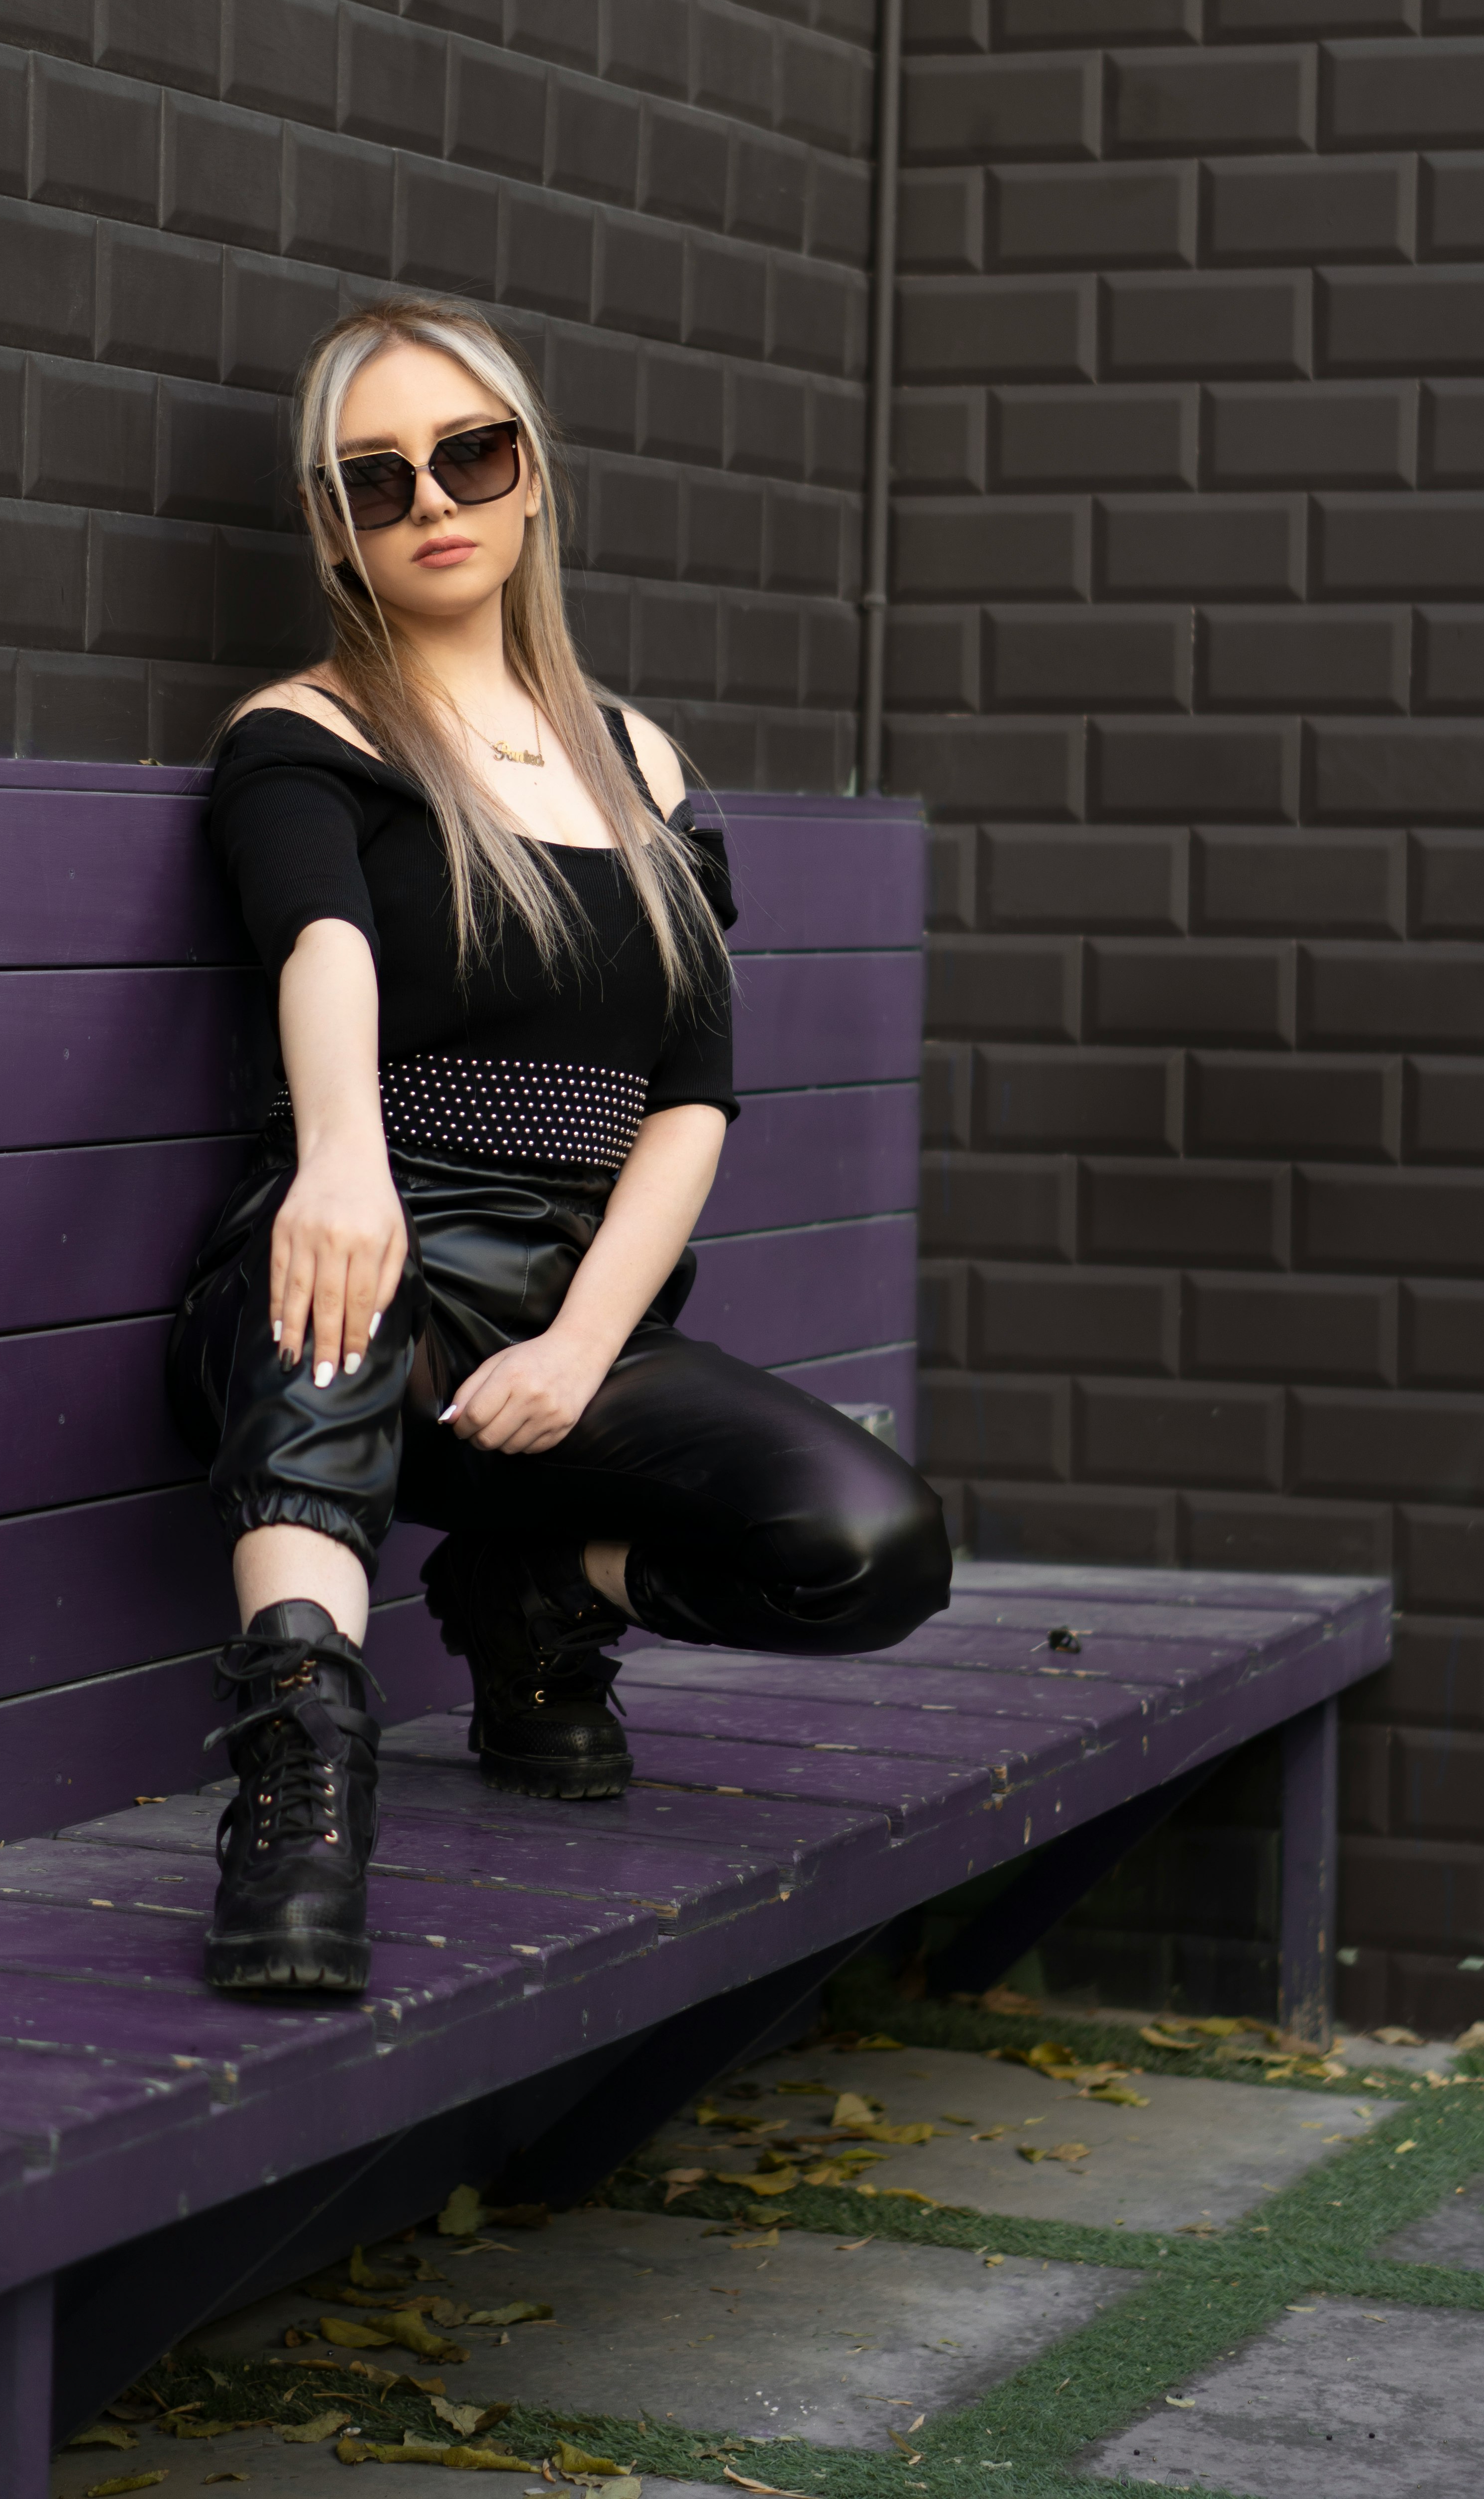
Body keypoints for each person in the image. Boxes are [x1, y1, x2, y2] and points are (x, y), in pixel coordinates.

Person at [167, 296, 950, 1996]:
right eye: (375, 479)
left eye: (473, 454)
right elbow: (325, 948)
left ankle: (531, 1586)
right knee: (326, 1305)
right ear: (333, 524)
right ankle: (302, 1786)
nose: (433, 500)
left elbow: (692, 1090)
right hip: (363, 1237)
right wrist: (343, 1162)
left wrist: (589, 1343)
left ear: (532, 478)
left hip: (576, 1299)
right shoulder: (307, 736)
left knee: (874, 1552)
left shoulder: (645, 763)